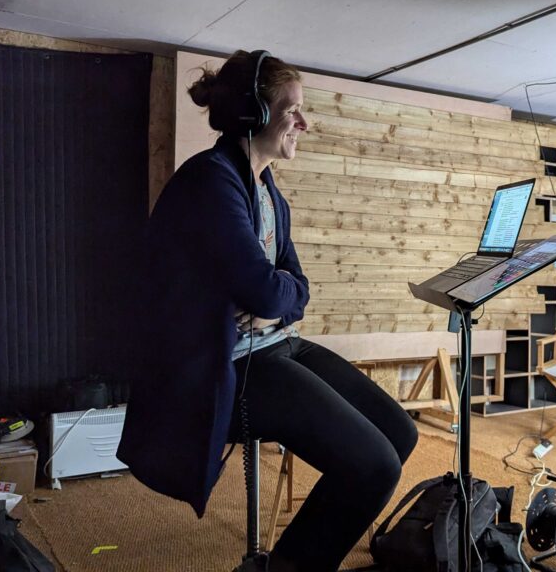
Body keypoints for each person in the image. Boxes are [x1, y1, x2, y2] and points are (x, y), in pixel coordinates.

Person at [117, 50, 418, 572]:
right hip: (222, 368)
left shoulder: (268, 190)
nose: (304, 122)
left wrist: (277, 304)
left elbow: (295, 289)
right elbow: (266, 291)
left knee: (401, 432)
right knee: (373, 467)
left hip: (273, 345)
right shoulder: (212, 181)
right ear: (253, 114)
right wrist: (274, 300)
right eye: (292, 110)